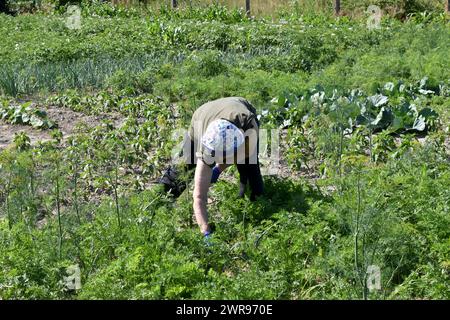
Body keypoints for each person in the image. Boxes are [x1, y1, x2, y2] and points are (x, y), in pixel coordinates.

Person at [159, 97, 264, 238]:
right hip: (203, 115)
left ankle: (251, 202)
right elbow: (199, 197)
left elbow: (242, 153)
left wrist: (219, 169)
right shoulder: (206, 144)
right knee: (183, 168)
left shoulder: (249, 127)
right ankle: (157, 200)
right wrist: (205, 230)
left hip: (239, 109)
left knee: (250, 168)